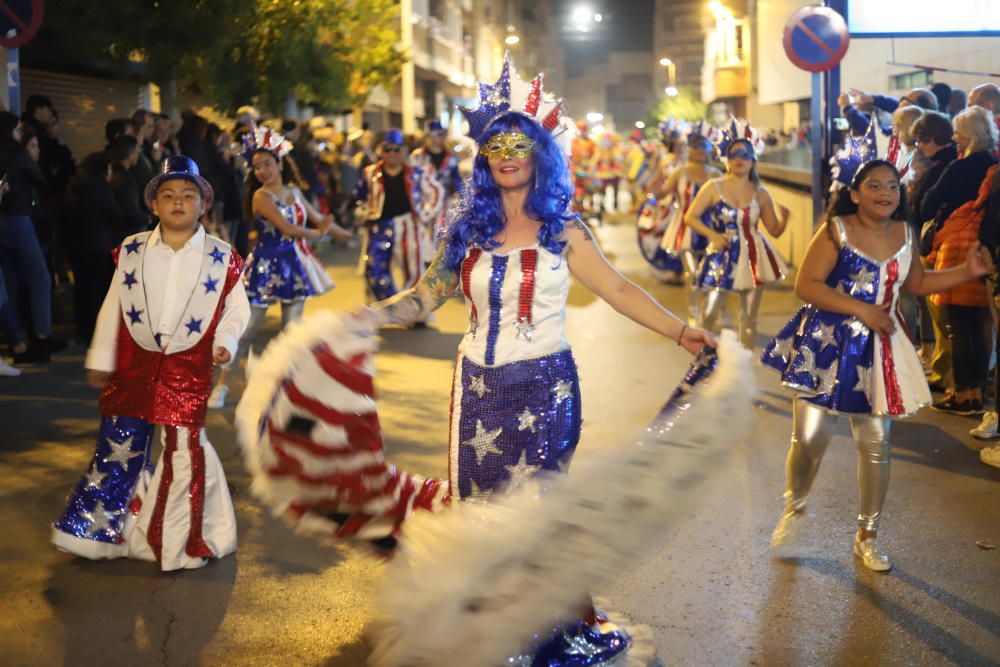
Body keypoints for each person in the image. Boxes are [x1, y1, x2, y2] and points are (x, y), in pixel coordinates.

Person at [355, 56, 715, 663]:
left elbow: (619, 290)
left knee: (539, 507)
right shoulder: (466, 229)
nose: (507, 153)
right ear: (484, 156)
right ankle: (489, 625)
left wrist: (681, 333)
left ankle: (546, 625)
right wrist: (363, 318)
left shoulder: (564, 230)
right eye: (495, 144)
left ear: (541, 152)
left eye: (520, 143)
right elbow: (424, 297)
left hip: (545, 385)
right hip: (474, 387)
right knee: (477, 508)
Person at [762, 159, 992, 571]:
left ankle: (868, 535)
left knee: (876, 444)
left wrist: (965, 272)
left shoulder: (905, 233)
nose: (885, 193)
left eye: (892, 186)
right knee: (810, 438)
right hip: (826, 346)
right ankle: (794, 510)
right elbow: (806, 285)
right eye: (874, 185)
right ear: (854, 193)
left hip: (880, 347)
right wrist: (860, 309)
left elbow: (917, 285)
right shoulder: (836, 229)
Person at [51, 156, 250, 571]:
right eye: (168, 195)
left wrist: (226, 342)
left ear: (203, 205)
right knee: (119, 445)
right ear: (153, 204)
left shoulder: (222, 256)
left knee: (183, 448)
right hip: (133, 363)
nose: (178, 203)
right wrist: (101, 357)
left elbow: (236, 309)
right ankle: (97, 533)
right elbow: (113, 308)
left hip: (189, 365)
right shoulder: (131, 250)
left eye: (188, 196)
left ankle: (180, 538)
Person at [208, 125, 350, 408]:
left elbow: (317, 216)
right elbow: (288, 228)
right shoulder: (261, 196)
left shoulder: (295, 192)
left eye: (267, 164)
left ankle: (288, 385)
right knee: (248, 329)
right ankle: (221, 386)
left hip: (294, 264)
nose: (262, 170)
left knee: (292, 331)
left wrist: (341, 232)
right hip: (265, 264)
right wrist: (320, 233)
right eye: (257, 166)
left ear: (280, 163)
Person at [684, 129, 790, 349]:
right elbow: (690, 217)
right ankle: (705, 363)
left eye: (745, 154)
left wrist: (785, 218)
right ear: (727, 159)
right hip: (720, 255)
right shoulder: (714, 186)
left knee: (749, 318)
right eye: (734, 154)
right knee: (709, 314)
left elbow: (774, 230)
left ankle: (744, 371)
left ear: (753, 159)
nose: (739, 159)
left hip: (754, 257)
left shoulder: (761, 193)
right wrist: (713, 235)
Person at [926, 107, 998, 414]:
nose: (954, 137)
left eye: (957, 132)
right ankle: (977, 392)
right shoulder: (993, 165)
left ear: (968, 134)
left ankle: (963, 394)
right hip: (985, 251)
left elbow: (928, 201)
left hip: (958, 250)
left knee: (957, 324)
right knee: (979, 328)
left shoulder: (960, 167)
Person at [352, 129, 444, 300]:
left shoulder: (416, 173)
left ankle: (415, 310)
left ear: (404, 151)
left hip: (408, 224)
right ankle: (387, 307)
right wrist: (363, 211)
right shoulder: (370, 172)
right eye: (388, 149)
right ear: (381, 151)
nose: (392, 153)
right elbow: (359, 197)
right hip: (379, 225)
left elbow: (436, 191)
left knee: (414, 270)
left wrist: (425, 213)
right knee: (374, 269)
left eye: (397, 149)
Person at [0, 111, 61, 363]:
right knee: (39, 277)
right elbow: (40, 179)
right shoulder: (16, 153)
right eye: (16, 129)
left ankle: (15, 339)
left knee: (10, 281)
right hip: (18, 218)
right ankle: (42, 333)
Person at [657, 129, 722, 325]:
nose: (700, 150)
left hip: (711, 230)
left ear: (710, 148)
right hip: (684, 229)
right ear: (689, 149)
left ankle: (708, 315)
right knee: (692, 273)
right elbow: (664, 192)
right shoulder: (680, 172)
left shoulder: (717, 174)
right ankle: (694, 316)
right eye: (695, 146)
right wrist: (654, 189)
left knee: (711, 274)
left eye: (704, 145)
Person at [408, 119, 463, 234]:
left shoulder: (452, 158)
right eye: (430, 135)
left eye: (438, 135)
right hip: (422, 210)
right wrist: (418, 208)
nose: (434, 139)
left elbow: (457, 183)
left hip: (445, 211)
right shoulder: (417, 157)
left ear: (443, 136)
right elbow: (411, 185)